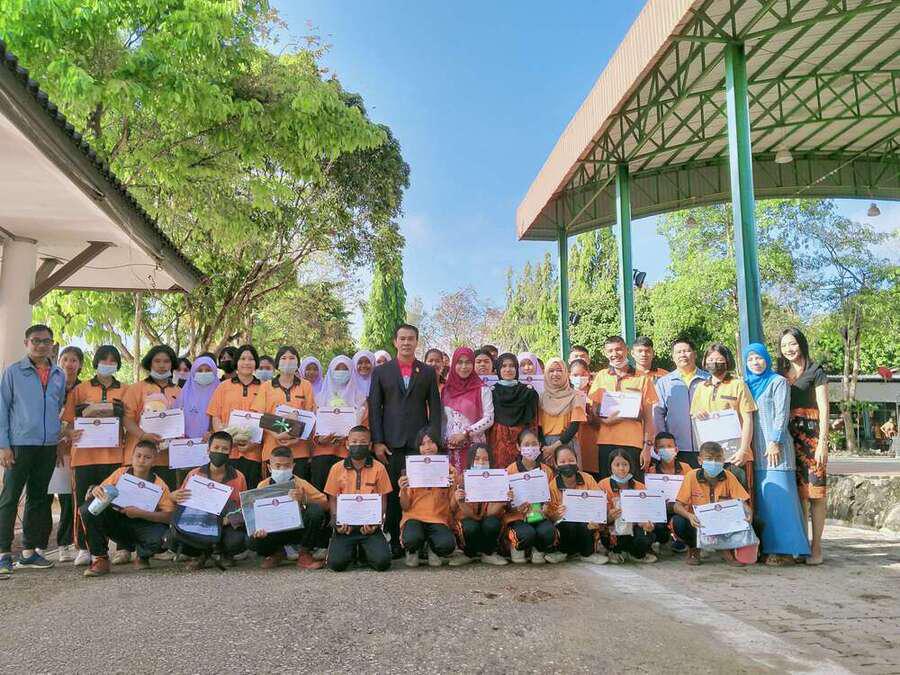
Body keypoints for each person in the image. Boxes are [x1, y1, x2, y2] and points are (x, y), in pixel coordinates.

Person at [368, 324, 442, 557]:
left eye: (411, 338)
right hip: (391, 443)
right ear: (395, 342)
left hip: (420, 444)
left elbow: (435, 408)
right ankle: (395, 540)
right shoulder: (381, 371)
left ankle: (420, 540)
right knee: (393, 492)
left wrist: (434, 441)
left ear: (417, 342)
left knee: (420, 490)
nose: (407, 342)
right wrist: (377, 442)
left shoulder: (427, 372)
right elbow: (374, 409)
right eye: (402, 338)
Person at [0, 324, 68, 576]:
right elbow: (2, 409)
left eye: (46, 341)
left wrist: (58, 441)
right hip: (19, 445)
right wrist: (4, 445)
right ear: (26, 343)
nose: (41, 345)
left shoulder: (58, 374)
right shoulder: (13, 372)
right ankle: (3, 554)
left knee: (38, 498)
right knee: (9, 498)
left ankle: (28, 552)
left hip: (47, 446)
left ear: (52, 344)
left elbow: (57, 408)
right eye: (36, 341)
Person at [744, 343, 810, 564]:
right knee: (764, 502)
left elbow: (781, 414)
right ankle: (769, 548)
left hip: (776, 450)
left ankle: (789, 550)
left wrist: (774, 440)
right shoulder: (746, 385)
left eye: (759, 358)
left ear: (767, 359)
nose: (755, 362)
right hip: (755, 451)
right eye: (750, 359)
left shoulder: (777, 382)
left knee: (781, 499)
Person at [63, 345, 128, 567]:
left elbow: (130, 421)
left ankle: (117, 547)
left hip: (114, 456)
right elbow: (68, 422)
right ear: (95, 363)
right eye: (103, 360)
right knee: (84, 503)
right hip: (83, 457)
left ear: (118, 364)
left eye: (112, 361)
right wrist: (70, 433)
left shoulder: (125, 390)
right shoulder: (80, 389)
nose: (107, 364)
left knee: (113, 503)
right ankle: (84, 548)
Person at [80, 440, 175, 577]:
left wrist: (141, 513)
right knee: (89, 509)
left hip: (143, 524)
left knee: (163, 535)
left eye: (147, 457)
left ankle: (143, 556)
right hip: (117, 521)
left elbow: (169, 516)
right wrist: (95, 490)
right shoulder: (120, 473)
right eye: (138, 456)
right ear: (132, 456)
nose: (141, 460)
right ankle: (100, 559)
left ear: (154, 461)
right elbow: (102, 490)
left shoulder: (160, 485)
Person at [777, 327, 829, 566]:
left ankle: (816, 546)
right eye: (784, 345)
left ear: (801, 344)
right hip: (787, 437)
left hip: (812, 437)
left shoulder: (815, 371)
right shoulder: (779, 373)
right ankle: (801, 543)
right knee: (798, 495)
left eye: (792, 343)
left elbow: (824, 408)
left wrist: (822, 443)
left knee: (816, 493)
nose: (789, 349)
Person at [170, 431, 248, 569]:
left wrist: (230, 519)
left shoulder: (239, 477)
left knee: (238, 539)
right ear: (208, 450)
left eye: (224, 449)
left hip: (225, 523)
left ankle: (225, 554)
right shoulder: (194, 474)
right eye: (216, 448)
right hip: (199, 521)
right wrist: (173, 496)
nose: (220, 452)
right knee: (173, 538)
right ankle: (200, 555)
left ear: (230, 452)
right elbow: (182, 502)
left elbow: (243, 508)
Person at [323, 426, 393, 572]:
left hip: (369, 526)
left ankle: (364, 551)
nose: (358, 445)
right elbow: (333, 498)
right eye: (354, 442)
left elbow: (383, 499)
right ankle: (353, 551)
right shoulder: (336, 468)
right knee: (336, 564)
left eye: (363, 442)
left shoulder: (379, 468)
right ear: (347, 444)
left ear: (370, 445)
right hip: (346, 527)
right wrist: (337, 521)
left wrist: (376, 523)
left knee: (382, 563)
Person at [588, 336, 658, 481]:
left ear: (626, 350)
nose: (615, 354)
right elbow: (593, 413)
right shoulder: (601, 376)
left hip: (633, 443)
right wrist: (605, 421)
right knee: (608, 486)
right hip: (606, 443)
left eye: (618, 349)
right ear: (605, 353)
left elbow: (649, 418)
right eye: (610, 351)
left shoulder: (642, 378)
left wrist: (647, 448)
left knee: (633, 487)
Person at [672, 441, 753, 566]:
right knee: (679, 522)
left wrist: (749, 513)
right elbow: (677, 506)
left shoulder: (729, 476)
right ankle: (694, 549)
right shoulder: (691, 476)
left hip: (723, 521)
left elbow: (742, 502)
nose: (714, 463)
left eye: (718, 459)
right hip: (698, 522)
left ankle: (727, 551)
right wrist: (689, 516)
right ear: (700, 460)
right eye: (709, 459)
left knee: (755, 521)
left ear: (723, 460)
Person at [248, 446, 328, 570]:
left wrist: (304, 498)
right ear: (269, 467)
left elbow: (324, 503)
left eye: (286, 466)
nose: (282, 469)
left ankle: (304, 553)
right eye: (278, 466)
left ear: (293, 466)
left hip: (297, 530)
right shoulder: (263, 486)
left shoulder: (301, 483)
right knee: (252, 538)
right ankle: (276, 553)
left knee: (315, 511)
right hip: (274, 530)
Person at [689, 343, 755, 489]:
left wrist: (743, 450)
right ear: (705, 362)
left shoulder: (738, 385)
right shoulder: (701, 387)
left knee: (739, 497)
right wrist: (697, 414)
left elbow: (748, 419)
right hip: (710, 459)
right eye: (711, 360)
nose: (715, 363)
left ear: (727, 361)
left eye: (719, 360)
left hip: (735, 456)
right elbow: (694, 415)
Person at [252, 346, 316, 481]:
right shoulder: (266, 386)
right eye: (284, 358)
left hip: (299, 451)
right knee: (274, 491)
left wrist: (296, 438)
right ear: (277, 363)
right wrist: (276, 434)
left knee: (298, 489)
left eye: (292, 358)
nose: (288, 361)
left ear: (297, 363)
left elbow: (310, 415)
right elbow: (259, 417)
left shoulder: (306, 386)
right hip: (272, 451)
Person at [122, 344, 181, 489]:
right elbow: (126, 419)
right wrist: (143, 436)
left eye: (166, 361)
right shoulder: (136, 389)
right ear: (150, 363)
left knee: (164, 499)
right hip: (138, 458)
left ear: (172, 364)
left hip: (167, 460)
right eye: (157, 361)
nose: (162, 365)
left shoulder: (179, 391)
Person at [398, 428, 458, 567]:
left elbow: (453, 507)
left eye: (431, 442)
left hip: (438, 518)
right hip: (414, 517)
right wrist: (403, 489)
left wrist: (454, 485)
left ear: (438, 444)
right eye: (423, 444)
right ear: (418, 448)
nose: (427, 447)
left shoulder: (449, 470)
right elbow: (405, 507)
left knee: (447, 545)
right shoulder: (411, 469)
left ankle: (432, 547)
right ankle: (412, 550)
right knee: (411, 539)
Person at [208, 344, 264, 489]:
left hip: (254, 452)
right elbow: (215, 416)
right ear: (236, 362)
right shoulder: (223, 387)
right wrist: (226, 440)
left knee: (249, 491)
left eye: (251, 359)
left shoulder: (264, 387)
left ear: (256, 363)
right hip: (228, 452)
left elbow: (267, 419)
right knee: (226, 491)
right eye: (242, 359)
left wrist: (253, 443)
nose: (246, 362)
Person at [653, 337, 711, 468]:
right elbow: (658, 415)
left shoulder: (708, 379)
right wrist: (663, 443)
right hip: (677, 448)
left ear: (695, 354)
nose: (683, 355)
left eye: (686, 351)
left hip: (706, 446)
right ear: (673, 357)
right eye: (678, 352)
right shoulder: (664, 383)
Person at [312, 355, 367, 491]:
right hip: (322, 454)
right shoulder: (319, 398)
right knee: (322, 494)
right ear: (331, 371)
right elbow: (312, 427)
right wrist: (319, 439)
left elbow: (365, 427)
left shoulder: (360, 399)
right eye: (337, 368)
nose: (341, 372)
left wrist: (350, 438)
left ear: (352, 372)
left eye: (345, 369)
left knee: (345, 493)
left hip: (349, 455)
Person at [46, 345, 81, 562]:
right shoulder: (50, 385)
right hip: (47, 450)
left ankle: (65, 543)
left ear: (80, 365)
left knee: (68, 499)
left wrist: (65, 442)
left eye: (74, 360)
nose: (69, 364)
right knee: (43, 498)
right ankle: (38, 545)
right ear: (59, 362)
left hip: (72, 452)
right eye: (65, 359)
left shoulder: (84, 389)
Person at [546, 445, 607, 564]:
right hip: (565, 526)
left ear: (577, 461)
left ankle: (587, 554)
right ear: (556, 464)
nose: (567, 464)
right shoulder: (553, 485)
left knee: (587, 524)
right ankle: (563, 552)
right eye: (562, 462)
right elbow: (550, 517)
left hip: (586, 522)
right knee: (566, 523)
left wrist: (597, 519)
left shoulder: (588, 479)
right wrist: (557, 514)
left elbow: (600, 503)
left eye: (571, 460)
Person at [503, 429, 556, 564]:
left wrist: (546, 508)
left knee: (549, 532)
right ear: (518, 447)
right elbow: (505, 504)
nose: (531, 448)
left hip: (539, 515)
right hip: (518, 517)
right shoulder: (510, 470)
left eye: (534, 444)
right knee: (526, 533)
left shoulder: (546, 471)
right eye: (526, 445)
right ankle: (517, 546)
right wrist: (511, 503)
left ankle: (538, 549)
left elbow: (552, 497)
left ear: (540, 446)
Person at [451, 443, 508, 566]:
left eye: (485, 459)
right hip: (467, 520)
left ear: (491, 461)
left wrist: (502, 499)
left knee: (492, 523)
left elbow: (492, 513)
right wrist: (459, 500)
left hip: (488, 519)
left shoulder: (497, 479)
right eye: (477, 459)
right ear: (470, 460)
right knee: (470, 527)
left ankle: (489, 553)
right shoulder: (461, 479)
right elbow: (451, 509)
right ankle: (468, 554)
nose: (481, 462)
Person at [441, 347, 494, 476]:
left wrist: (465, 433)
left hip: (474, 449)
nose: (464, 367)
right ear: (454, 364)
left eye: (468, 362)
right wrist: (445, 439)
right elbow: (442, 419)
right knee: (452, 484)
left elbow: (489, 418)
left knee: (474, 483)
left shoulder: (482, 389)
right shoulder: (445, 390)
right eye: (460, 362)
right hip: (449, 449)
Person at [597, 449, 657, 564]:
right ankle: (615, 551)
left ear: (630, 466)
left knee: (646, 537)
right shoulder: (602, 485)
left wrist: (647, 523)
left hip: (634, 528)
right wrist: (609, 517)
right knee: (610, 536)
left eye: (625, 464)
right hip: (613, 529)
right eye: (617, 465)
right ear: (610, 468)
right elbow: (598, 517)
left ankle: (634, 554)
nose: (621, 468)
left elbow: (647, 513)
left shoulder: (640, 487)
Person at [489, 353, 539, 469]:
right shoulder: (491, 392)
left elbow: (533, 422)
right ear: (498, 369)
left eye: (512, 366)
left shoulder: (528, 392)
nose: (508, 369)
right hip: (499, 442)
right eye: (504, 366)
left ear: (517, 369)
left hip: (523, 441)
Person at [646, 432, 692, 553]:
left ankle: (681, 540)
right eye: (661, 447)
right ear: (655, 450)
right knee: (657, 524)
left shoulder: (686, 468)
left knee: (680, 522)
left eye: (669, 446)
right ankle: (663, 541)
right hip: (661, 511)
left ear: (676, 449)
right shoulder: (651, 472)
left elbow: (694, 491)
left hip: (682, 510)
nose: (666, 449)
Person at [539, 358, 587, 468]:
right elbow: (539, 427)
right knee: (549, 477)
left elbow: (574, 426)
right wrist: (546, 448)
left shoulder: (575, 396)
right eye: (551, 371)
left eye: (559, 370)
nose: (555, 374)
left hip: (567, 443)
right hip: (546, 447)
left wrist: (554, 447)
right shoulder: (542, 398)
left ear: (565, 373)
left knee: (570, 476)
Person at [174, 355, 219, 443]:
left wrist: (214, 433)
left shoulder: (221, 391)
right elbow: (175, 418)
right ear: (193, 373)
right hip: (184, 444)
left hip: (214, 443)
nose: (204, 373)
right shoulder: (184, 393)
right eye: (199, 370)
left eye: (208, 370)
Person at [570, 358, 600, 475]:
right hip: (573, 447)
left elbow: (603, 422)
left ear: (588, 374)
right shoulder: (566, 395)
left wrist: (592, 418)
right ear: (569, 376)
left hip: (593, 447)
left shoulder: (596, 394)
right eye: (575, 375)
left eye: (583, 374)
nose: (579, 378)